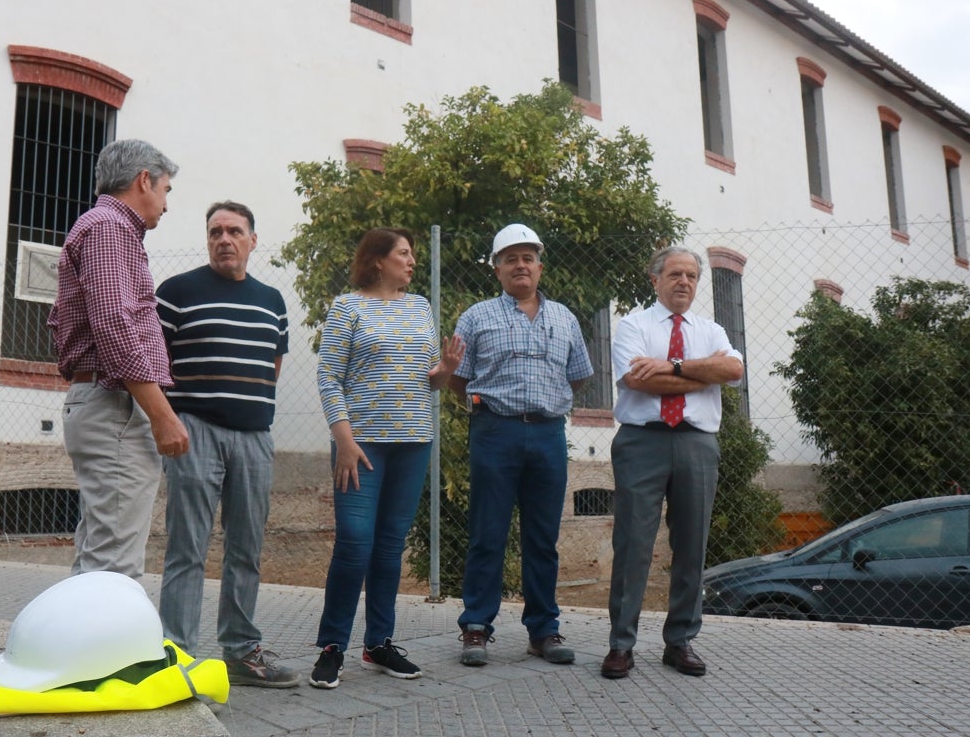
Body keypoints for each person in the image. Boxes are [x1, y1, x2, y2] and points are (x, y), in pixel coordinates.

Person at [308, 228, 465, 690]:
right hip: (361, 445)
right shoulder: (347, 307)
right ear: (378, 260)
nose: (412, 261)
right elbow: (328, 376)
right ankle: (332, 647)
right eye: (404, 253)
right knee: (355, 543)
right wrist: (344, 440)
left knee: (390, 546)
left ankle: (378, 643)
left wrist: (446, 371)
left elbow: (428, 380)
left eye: (413, 254)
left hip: (413, 442)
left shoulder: (420, 307)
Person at [155, 201, 300, 688]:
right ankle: (177, 657)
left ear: (252, 240)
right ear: (207, 239)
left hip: (255, 438)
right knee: (187, 548)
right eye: (215, 231)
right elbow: (155, 363)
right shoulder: (176, 293)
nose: (224, 239)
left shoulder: (272, 301)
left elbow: (271, 367)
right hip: (194, 431)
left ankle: (240, 652)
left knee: (246, 549)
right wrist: (169, 422)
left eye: (235, 231)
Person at [449, 223, 593, 667]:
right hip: (495, 432)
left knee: (543, 538)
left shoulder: (565, 318)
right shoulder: (475, 317)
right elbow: (458, 377)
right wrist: (493, 408)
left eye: (528, 258)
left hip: (548, 434)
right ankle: (476, 627)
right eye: (510, 259)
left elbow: (578, 376)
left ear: (540, 267)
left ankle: (543, 630)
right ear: (497, 269)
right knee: (488, 533)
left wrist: (545, 403)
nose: (520, 265)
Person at [49, 138, 189, 580]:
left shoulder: (103, 227)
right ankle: (108, 631)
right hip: (115, 407)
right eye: (165, 190)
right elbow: (114, 325)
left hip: (106, 403)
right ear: (144, 180)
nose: (166, 205)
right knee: (114, 568)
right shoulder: (110, 228)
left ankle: (80, 628)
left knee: (99, 558)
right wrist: (162, 416)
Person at [601, 245, 744, 680]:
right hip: (641, 442)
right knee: (633, 543)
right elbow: (637, 380)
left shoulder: (711, 330)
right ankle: (621, 644)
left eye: (692, 276)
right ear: (655, 280)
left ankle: (680, 640)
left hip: (697, 443)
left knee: (692, 544)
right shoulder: (634, 325)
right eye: (675, 274)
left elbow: (733, 371)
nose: (684, 282)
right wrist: (702, 375)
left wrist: (673, 366)